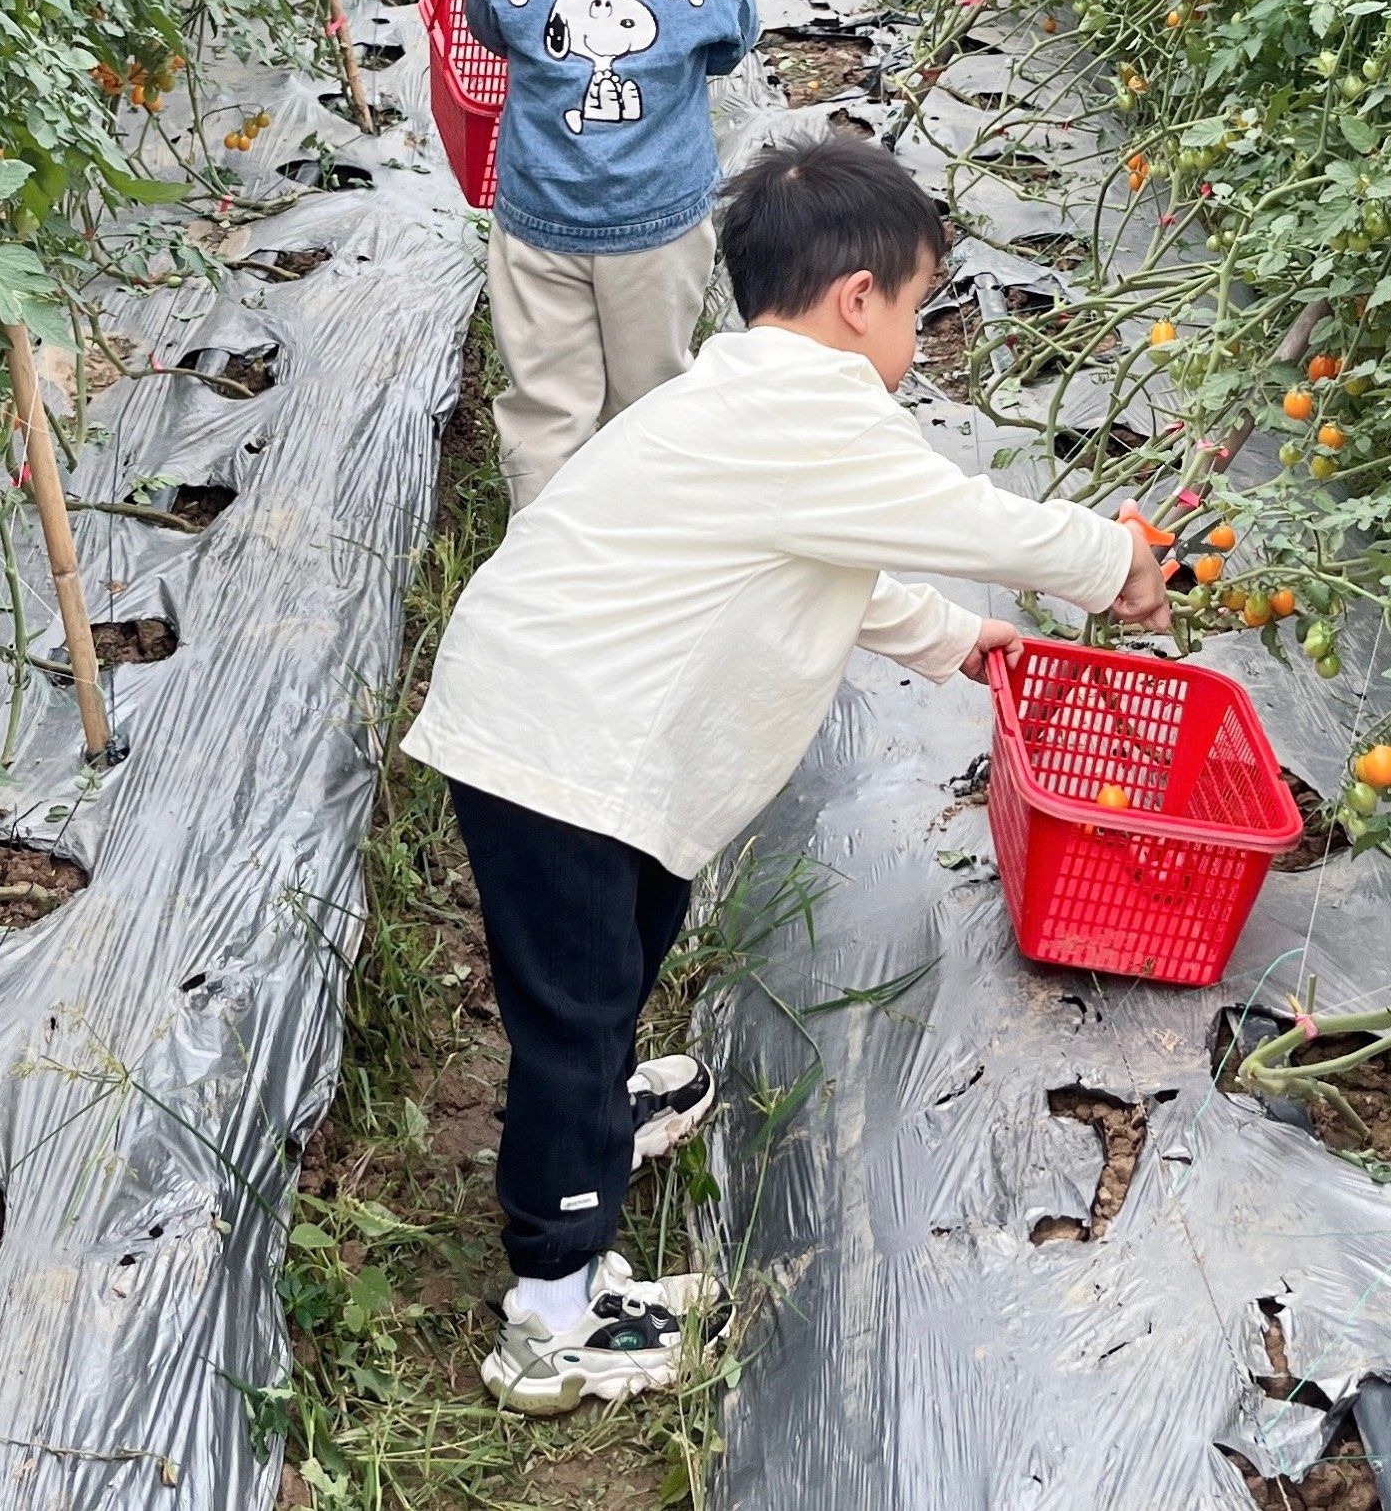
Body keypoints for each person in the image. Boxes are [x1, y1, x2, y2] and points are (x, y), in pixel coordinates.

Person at [402, 135, 1172, 1412]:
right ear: (857, 298)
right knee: (572, 1007)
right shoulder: (810, 410)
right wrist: (1112, 557)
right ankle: (549, 1308)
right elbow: (964, 516)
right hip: (553, 750)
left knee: (625, 941)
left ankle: (595, 1118)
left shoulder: (746, 398)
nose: (914, 338)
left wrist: (954, 637)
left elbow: (828, 565)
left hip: (577, 736)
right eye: (916, 308)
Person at [457, 0, 759, 512]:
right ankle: (641, 544)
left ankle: (542, 557)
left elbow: (488, 27)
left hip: (538, 212)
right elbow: (730, 45)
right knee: (653, 399)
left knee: (545, 408)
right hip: (657, 221)